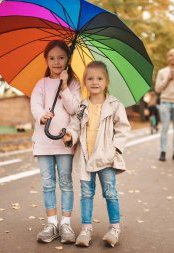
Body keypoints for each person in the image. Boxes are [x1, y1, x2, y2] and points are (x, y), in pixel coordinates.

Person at [63, 61, 130, 248]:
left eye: (99, 78)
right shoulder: (82, 106)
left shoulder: (115, 105)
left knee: (110, 192)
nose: (95, 82)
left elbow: (123, 128)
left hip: (106, 158)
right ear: (84, 81)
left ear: (106, 81)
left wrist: (115, 149)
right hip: (86, 157)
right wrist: (70, 135)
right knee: (86, 194)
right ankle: (86, 228)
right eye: (90, 78)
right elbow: (74, 126)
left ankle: (114, 227)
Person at [30, 40, 81, 244]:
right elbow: (35, 104)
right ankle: (51, 222)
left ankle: (65, 223)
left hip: (63, 142)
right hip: (43, 142)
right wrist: (42, 115)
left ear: (67, 60)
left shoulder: (74, 84)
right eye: (52, 58)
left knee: (66, 182)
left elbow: (74, 109)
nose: (56, 62)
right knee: (48, 183)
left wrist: (66, 86)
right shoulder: (41, 84)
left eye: (61, 58)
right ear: (46, 60)